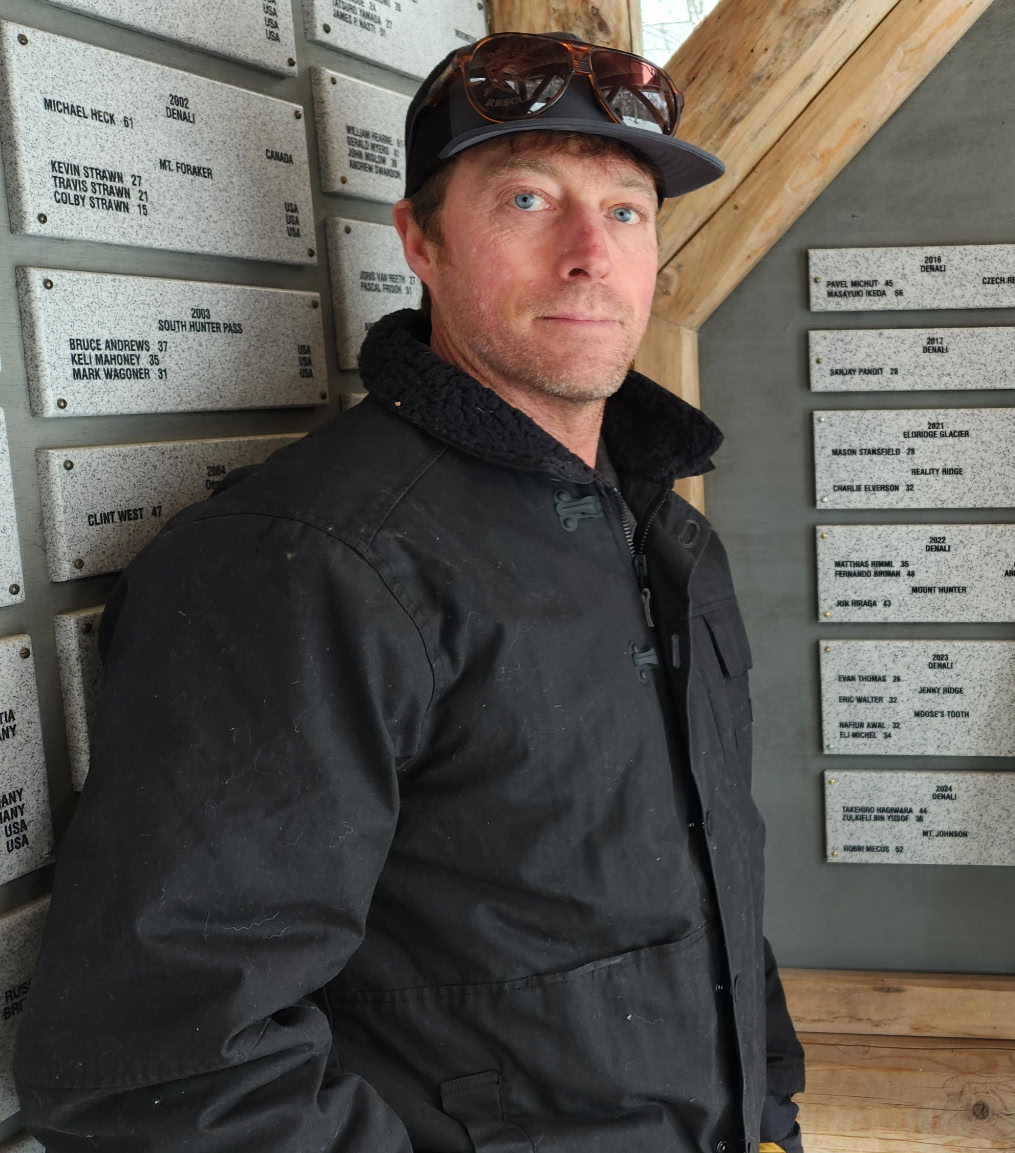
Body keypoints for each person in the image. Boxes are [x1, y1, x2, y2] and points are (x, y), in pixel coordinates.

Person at [14, 32, 805, 1153]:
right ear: (419, 241)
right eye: (528, 199)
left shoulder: (663, 532)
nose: (590, 252)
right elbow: (168, 1069)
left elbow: (711, 873)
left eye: (625, 210)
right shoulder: (310, 565)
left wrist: (768, 1105)